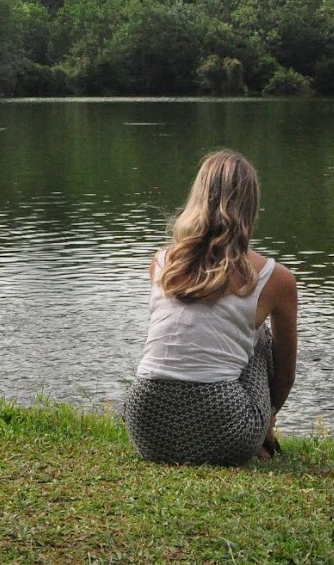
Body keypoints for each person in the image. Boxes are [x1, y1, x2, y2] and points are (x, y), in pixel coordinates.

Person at [124, 149, 298, 465]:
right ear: (251, 204)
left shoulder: (162, 262)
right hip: (226, 434)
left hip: (145, 428)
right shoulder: (275, 277)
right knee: (260, 339)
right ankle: (264, 436)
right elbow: (286, 375)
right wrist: (267, 417)